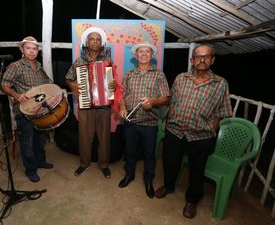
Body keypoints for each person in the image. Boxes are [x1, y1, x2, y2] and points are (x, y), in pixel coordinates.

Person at [154, 44, 233, 218]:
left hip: (201, 136)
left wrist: (211, 130)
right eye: (198, 57)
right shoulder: (181, 78)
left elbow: (222, 111)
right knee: (169, 162)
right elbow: (171, 100)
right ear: (192, 60)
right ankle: (168, 186)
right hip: (175, 131)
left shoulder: (220, 84)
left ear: (212, 60)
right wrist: (167, 120)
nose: (202, 60)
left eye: (206, 57)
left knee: (197, 170)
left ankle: (192, 200)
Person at [118, 42, 170, 198]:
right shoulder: (128, 74)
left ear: (152, 56)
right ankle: (129, 174)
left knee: (149, 155)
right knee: (130, 152)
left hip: (149, 123)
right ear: (135, 56)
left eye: (147, 52)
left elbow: (166, 98)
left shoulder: (159, 74)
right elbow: (122, 96)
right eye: (141, 52)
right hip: (130, 122)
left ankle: (148, 180)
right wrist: (121, 108)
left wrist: (153, 102)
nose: (144, 54)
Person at [65, 27, 118, 179]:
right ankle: (84, 163)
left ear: (101, 43)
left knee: (104, 137)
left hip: (104, 105)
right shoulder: (79, 61)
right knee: (84, 136)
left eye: (98, 39)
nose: (95, 41)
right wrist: (72, 85)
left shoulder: (108, 62)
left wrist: (113, 85)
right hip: (86, 104)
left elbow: (112, 82)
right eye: (92, 39)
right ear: (86, 43)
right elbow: (68, 78)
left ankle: (104, 165)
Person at [1, 36, 54, 183]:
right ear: (22, 49)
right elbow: (4, 84)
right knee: (27, 141)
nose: (31, 51)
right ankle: (31, 169)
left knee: (40, 138)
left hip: (40, 110)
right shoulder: (16, 66)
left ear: (38, 51)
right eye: (28, 48)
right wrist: (16, 95)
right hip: (24, 110)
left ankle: (41, 161)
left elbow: (44, 88)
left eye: (34, 49)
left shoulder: (39, 66)